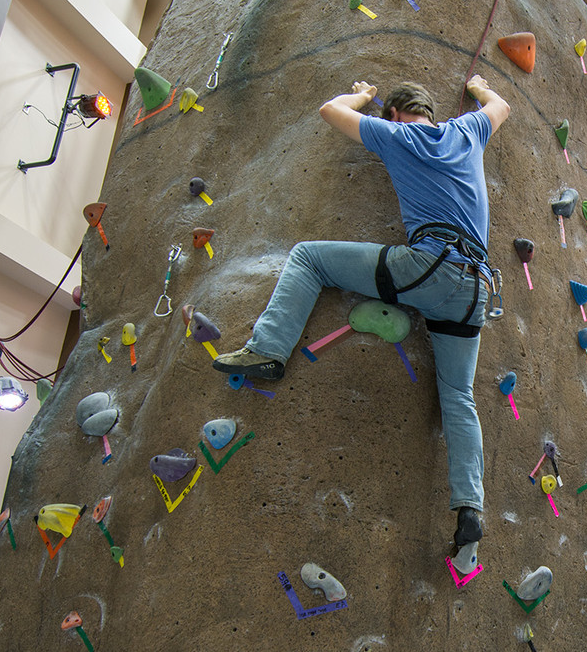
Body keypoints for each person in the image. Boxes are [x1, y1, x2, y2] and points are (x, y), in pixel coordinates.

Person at [213, 75, 510, 575]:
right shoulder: (469, 131)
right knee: (458, 397)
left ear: (394, 115)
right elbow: (501, 105)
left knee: (309, 258)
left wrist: (360, 94)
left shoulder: (394, 135)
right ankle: (469, 508)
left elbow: (331, 111)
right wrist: (479, 87)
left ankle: (269, 349)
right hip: (478, 290)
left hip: (429, 267)